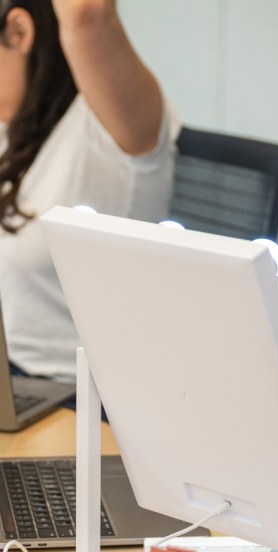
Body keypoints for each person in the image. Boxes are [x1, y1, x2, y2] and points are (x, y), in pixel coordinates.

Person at [0, 0, 179, 381]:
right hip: (13, 383)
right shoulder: (9, 126)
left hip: (83, 398)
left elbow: (86, 12)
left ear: (19, 31)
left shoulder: (108, 126)